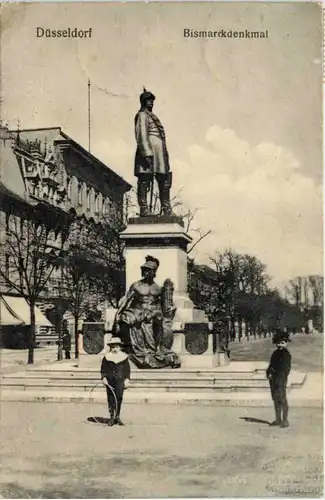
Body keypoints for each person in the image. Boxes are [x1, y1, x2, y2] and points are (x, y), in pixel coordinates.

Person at [114, 255, 180, 369]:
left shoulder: (158, 288)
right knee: (134, 319)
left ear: (153, 272)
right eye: (143, 270)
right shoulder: (136, 285)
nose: (145, 273)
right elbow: (126, 300)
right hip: (137, 311)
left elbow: (163, 305)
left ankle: (158, 348)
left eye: (148, 271)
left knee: (158, 319)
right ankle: (142, 350)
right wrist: (117, 314)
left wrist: (162, 311)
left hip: (153, 311)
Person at [134, 88, 173, 216]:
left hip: (160, 153)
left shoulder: (152, 116)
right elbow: (141, 134)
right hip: (149, 151)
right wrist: (146, 153)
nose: (151, 103)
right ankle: (144, 208)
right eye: (148, 100)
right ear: (143, 102)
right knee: (145, 179)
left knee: (164, 178)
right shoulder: (142, 115)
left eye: (152, 101)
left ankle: (166, 208)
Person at [100, 337, 131, 426]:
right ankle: (112, 417)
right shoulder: (107, 357)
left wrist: (127, 380)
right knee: (111, 398)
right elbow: (103, 369)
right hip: (109, 380)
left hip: (120, 380)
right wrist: (104, 378)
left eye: (117, 347)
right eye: (113, 347)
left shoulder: (124, 357)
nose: (115, 349)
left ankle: (117, 416)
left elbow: (127, 370)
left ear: (120, 347)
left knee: (119, 398)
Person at [266, 330, 292, 428]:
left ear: (286, 343)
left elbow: (286, 369)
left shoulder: (286, 355)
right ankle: (278, 419)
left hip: (281, 380)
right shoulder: (275, 353)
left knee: (282, 399)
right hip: (273, 380)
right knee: (275, 399)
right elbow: (271, 365)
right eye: (278, 343)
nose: (280, 345)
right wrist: (269, 373)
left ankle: (285, 420)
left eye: (282, 343)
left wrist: (280, 378)